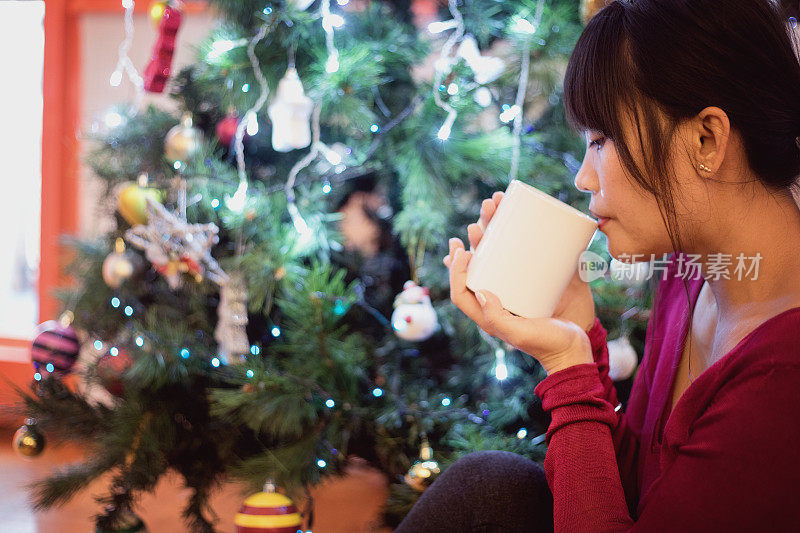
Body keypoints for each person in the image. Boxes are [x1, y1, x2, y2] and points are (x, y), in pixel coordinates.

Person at [395, 0, 800, 531]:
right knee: (488, 486)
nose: (585, 176)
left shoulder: (784, 373)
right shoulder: (690, 277)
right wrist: (576, 334)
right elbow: (638, 491)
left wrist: (569, 371)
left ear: (707, 139)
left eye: (601, 141)